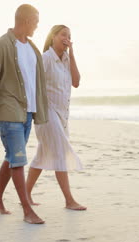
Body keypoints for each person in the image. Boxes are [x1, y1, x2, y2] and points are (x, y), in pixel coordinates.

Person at [0, 4, 48, 224]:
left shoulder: (32, 48)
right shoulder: (1, 45)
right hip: (9, 109)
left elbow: (36, 81)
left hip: (28, 112)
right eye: (36, 21)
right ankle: (27, 210)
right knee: (18, 160)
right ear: (27, 20)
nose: (37, 26)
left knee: (12, 156)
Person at [26, 25, 87, 211]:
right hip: (46, 113)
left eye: (69, 36)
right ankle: (69, 200)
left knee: (42, 155)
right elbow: (31, 83)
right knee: (61, 151)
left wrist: (73, 53)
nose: (66, 38)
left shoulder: (67, 59)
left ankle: (25, 194)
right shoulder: (45, 59)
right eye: (63, 34)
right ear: (53, 36)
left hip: (63, 116)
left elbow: (76, 82)